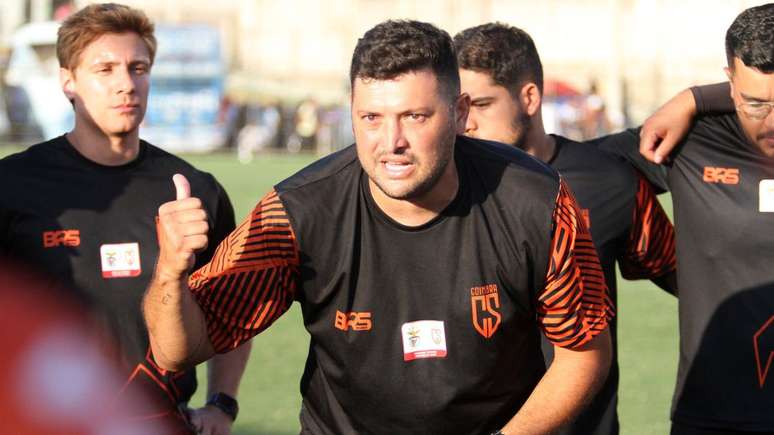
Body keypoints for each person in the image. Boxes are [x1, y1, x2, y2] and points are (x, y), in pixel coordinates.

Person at [144, 20, 614, 434]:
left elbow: (583, 353)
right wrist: (170, 273)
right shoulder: (299, 211)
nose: (392, 143)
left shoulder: (537, 201)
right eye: (371, 118)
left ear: (461, 112)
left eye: (415, 116)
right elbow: (175, 352)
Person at [0, 4, 251, 434]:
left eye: (138, 68)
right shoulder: (12, 185)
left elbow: (234, 309)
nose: (126, 84)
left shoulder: (193, 190)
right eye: (106, 69)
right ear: (68, 81)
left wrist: (221, 403)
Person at [453, 23, 678, 435]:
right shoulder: (440, 189)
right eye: (459, 107)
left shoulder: (609, 182)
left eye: (481, 104)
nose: (465, 123)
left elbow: (690, 275)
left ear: (530, 98)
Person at [599, 4, 774, 434]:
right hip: (715, 416)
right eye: (756, 104)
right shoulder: (695, 142)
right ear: (731, 83)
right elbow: (580, 166)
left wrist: (697, 95)